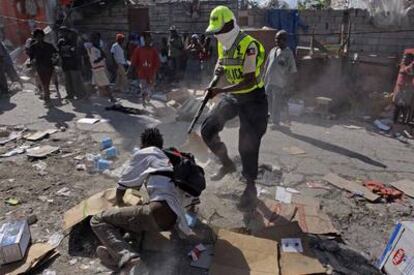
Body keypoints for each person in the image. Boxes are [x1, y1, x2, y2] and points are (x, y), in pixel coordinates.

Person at [90, 128, 198, 274]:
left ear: (144, 143)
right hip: (173, 221)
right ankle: (120, 253)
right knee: (136, 221)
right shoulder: (169, 159)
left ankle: (129, 259)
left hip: (157, 212)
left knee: (98, 220)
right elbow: (189, 201)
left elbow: (123, 184)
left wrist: (120, 205)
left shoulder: (147, 152)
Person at [201, 6, 268, 203]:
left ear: (230, 25)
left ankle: (250, 185)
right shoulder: (223, 44)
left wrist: (219, 91)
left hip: (253, 98)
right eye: (214, 31)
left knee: (247, 144)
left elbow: (248, 80)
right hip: (235, 96)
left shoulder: (249, 46)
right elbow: (221, 64)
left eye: (219, 30)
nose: (217, 35)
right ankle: (227, 164)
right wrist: (216, 75)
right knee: (207, 129)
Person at [263, 30, 297, 129]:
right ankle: (269, 118)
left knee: (276, 103)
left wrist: (289, 85)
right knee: (268, 101)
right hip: (268, 81)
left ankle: (276, 123)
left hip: (279, 83)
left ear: (285, 40)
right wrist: (262, 78)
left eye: (279, 39)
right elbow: (266, 65)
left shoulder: (288, 53)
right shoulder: (273, 50)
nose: (276, 41)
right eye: (275, 38)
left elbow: (292, 70)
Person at [28, 29, 58, 105]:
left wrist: (55, 60)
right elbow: (31, 57)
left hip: (49, 65)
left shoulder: (49, 46)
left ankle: (46, 96)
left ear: (43, 36)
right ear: (35, 37)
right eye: (37, 36)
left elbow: (55, 54)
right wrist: (31, 64)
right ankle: (47, 96)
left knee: (46, 82)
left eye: (41, 36)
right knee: (44, 82)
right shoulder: (33, 47)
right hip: (39, 67)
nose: (39, 38)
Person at [130, 32, 160, 107]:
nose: (148, 41)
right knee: (143, 86)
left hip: (151, 72)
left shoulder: (153, 50)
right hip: (142, 72)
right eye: (147, 40)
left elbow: (157, 61)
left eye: (150, 40)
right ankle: (143, 100)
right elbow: (134, 60)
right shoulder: (139, 49)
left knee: (150, 87)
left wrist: (156, 70)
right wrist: (131, 70)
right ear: (144, 40)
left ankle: (147, 96)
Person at [57, 26, 87, 100]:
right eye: (61, 32)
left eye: (64, 32)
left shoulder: (73, 41)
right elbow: (60, 52)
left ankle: (81, 94)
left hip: (74, 64)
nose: (63, 33)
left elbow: (77, 52)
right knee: (67, 81)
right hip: (65, 64)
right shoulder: (61, 42)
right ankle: (70, 94)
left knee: (76, 80)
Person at [85, 32, 115, 102]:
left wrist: (99, 58)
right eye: (96, 40)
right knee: (101, 84)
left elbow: (103, 56)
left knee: (99, 84)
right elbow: (94, 59)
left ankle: (87, 97)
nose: (98, 41)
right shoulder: (91, 49)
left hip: (99, 68)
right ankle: (111, 98)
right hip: (96, 68)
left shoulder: (97, 48)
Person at [392, 53, 414, 132]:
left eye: (405, 58)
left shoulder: (411, 67)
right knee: (397, 106)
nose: (403, 59)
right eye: (403, 57)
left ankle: (403, 124)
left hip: (406, 90)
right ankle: (395, 123)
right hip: (400, 88)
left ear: (410, 60)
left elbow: (409, 71)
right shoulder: (403, 65)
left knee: (403, 107)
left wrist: (412, 64)